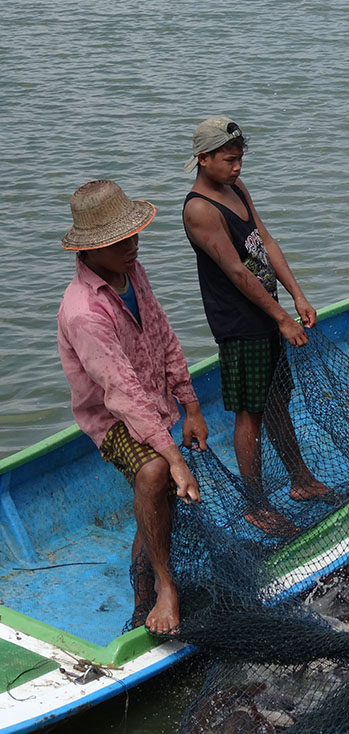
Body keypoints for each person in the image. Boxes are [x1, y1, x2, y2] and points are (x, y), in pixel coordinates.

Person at [57, 180, 207, 634]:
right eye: (119, 241)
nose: (132, 245)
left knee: (161, 499)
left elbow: (162, 334)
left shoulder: (132, 272)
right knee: (155, 473)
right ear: (92, 249)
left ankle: (146, 594)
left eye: (134, 235)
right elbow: (120, 392)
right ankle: (165, 588)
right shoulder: (83, 310)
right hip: (112, 415)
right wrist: (175, 458)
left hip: (153, 400)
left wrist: (190, 403)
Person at [183, 116, 329, 536]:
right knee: (250, 413)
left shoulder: (236, 189)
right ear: (203, 158)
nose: (237, 167)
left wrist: (296, 295)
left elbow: (264, 242)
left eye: (240, 159)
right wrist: (281, 319)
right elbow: (236, 272)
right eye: (228, 160)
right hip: (239, 323)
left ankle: (300, 481)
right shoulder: (199, 209)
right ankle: (256, 504)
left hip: (268, 312)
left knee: (278, 400)